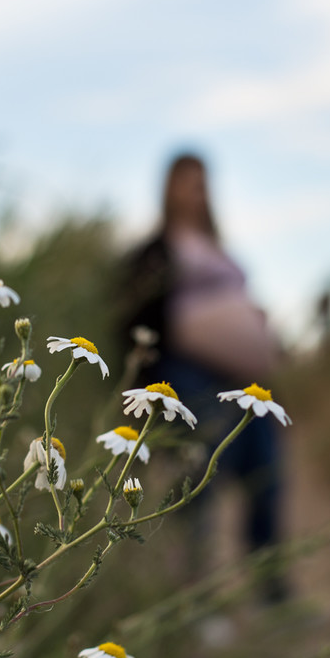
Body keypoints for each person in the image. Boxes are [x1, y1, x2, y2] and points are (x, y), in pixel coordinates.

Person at [118, 152, 287, 602]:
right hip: (189, 378)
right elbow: (136, 317)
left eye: (203, 183)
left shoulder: (217, 248)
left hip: (247, 386)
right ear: (169, 188)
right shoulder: (158, 249)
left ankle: (272, 591)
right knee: (198, 485)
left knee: (266, 476)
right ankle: (194, 600)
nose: (198, 191)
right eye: (189, 182)